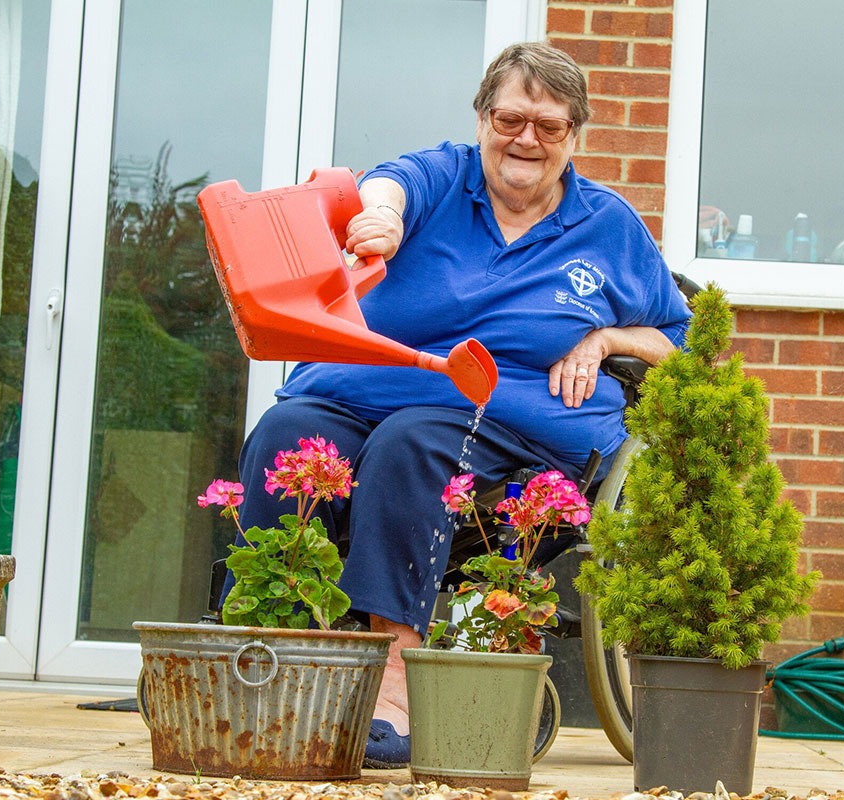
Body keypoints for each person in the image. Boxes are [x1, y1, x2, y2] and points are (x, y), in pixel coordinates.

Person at [231, 41, 692, 768]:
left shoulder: (607, 225)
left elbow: (683, 340)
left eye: (549, 125)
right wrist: (380, 221)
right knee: (284, 433)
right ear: (482, 119)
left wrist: (608, 337)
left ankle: (394, 680)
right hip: (366, 388)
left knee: (412, 443)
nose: (526, 139)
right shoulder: (442, 177)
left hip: (510, 421)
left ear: (574, 135)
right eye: (510, 119)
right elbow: (389, 186)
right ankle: (267, 657)